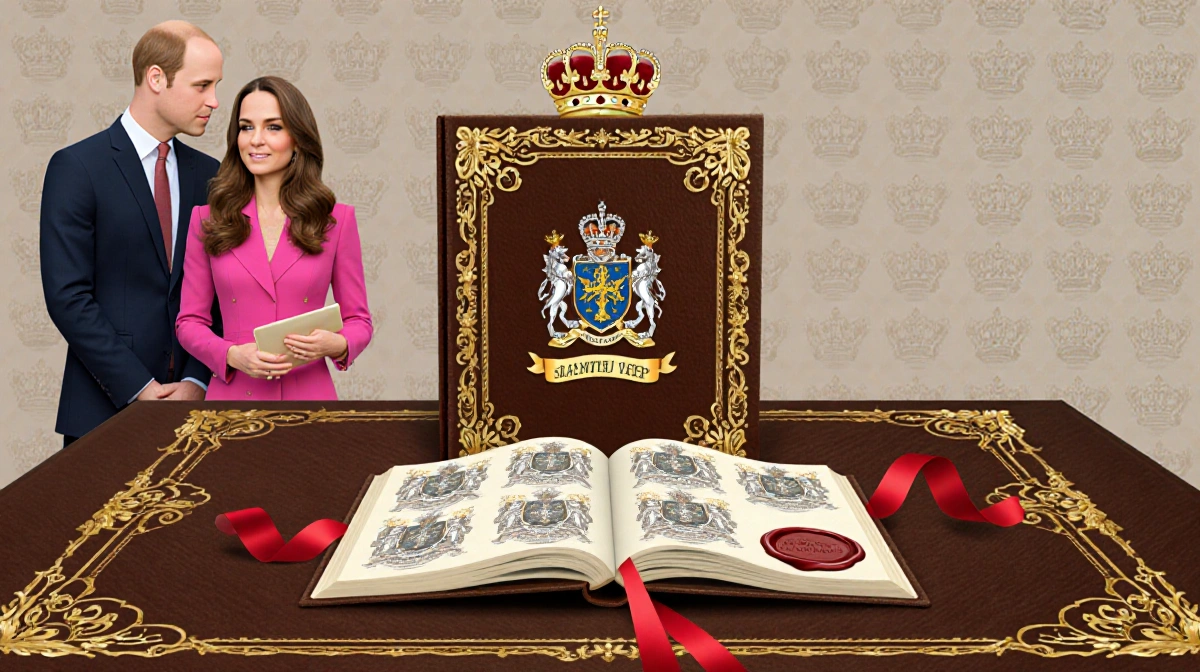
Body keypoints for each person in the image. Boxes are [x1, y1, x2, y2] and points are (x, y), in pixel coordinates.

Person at [40, 21, 224, 447]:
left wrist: (198, 377)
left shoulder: (211, 176)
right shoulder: (78, 168)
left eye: (215, 86)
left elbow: (219, 291)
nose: (214, 101)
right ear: (156, 78)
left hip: (198, 413)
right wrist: (139, 387)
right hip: (102, 411)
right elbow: (67, 296)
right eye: (201, 86)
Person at [176, 76, 372, 400]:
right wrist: (231, 355)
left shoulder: (336, 221)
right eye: (246, 127)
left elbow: (359, 320)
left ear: (297, 138)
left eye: (273, 127)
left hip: (311, 402)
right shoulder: (207, 220)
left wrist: (336, 343)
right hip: (233, 404)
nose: (256, 140)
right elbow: (189, 322)